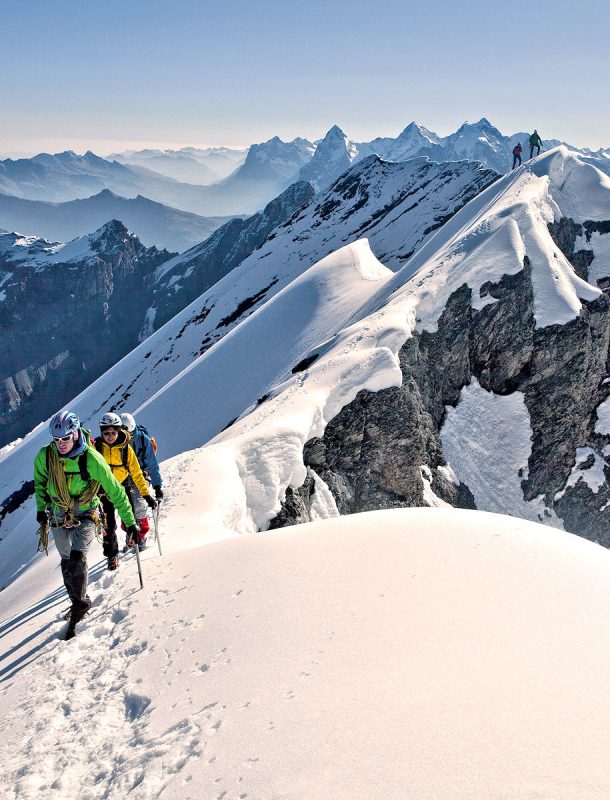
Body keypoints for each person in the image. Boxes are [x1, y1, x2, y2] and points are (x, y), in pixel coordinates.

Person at [34, 410, 140, 638]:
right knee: (66, 562)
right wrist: (41, 510)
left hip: (86, 512)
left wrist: (130, 522)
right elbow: (40, 483)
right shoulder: (46, 456)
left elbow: (115, 490)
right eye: (56, 439)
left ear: (75, 434)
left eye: (65, 438)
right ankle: (77, 601)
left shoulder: (91, 459)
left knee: (76, 558)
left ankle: (80, 606)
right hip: (58, 513)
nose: (60, 444)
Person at [95, 412, 157, 554]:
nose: (110, 436)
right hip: (103, 491)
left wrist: (146, 495)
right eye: (106, 433)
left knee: (131, 516)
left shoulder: (126, 449)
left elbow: (137, 473)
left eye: (113, 432)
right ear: (101, 433)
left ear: (119, 431)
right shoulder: (97, 448)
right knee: (109, 525)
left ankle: (137, 539)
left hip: (123, 488)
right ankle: (112, 555)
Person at [119, 413, 163, 502]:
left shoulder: (143, 440)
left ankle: (140, 516)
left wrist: (157, 486)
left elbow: (152, 464)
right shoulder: (116, 440)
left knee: (139, 503)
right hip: (123, 476)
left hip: (141, 474)